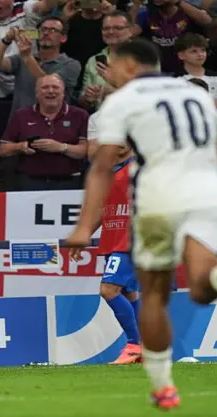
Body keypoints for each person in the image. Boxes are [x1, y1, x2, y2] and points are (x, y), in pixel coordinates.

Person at [66, 39, 217, 411]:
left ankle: (164, 387)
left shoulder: (121, 102)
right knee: (201, 286)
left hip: (158, 195)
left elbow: (101, 167)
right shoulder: (197, 95)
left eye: (111, 66)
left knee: (154, 294)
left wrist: (82, 228)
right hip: (208, 192)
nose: (108, 74)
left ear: (128, 66)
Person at [70, 109, 141, 365]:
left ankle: (134, 345)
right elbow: (103, 209)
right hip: (114, 240)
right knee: (130, 295)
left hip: (131, 241)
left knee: (108, 290)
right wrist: (85, 234)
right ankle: (146, 348)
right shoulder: (109, 172)